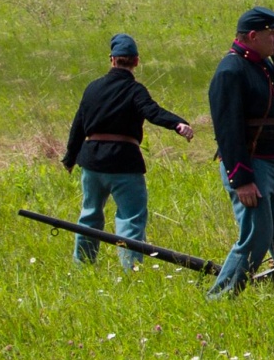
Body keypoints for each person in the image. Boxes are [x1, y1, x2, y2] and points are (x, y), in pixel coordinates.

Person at [62, 33, 195, 270]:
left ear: (112, 59)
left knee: (89, 215)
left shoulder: (92, 88)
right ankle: (130, 269)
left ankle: (82, 265)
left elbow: (78, 125)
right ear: (136, 61)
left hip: (91, 160)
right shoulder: (135, 90)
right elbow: (153, 112)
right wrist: (178, 124)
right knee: (130, 219)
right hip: (124, 162)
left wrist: (70, 158)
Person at [207, 6, 274, 298]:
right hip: (251, 166)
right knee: (257, 238)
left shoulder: (261, 64)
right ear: (253, 36)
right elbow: (227, 130)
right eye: (271, 34)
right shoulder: (231, 70)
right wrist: (241, 179)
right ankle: (219, 297)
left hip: (271, 165)